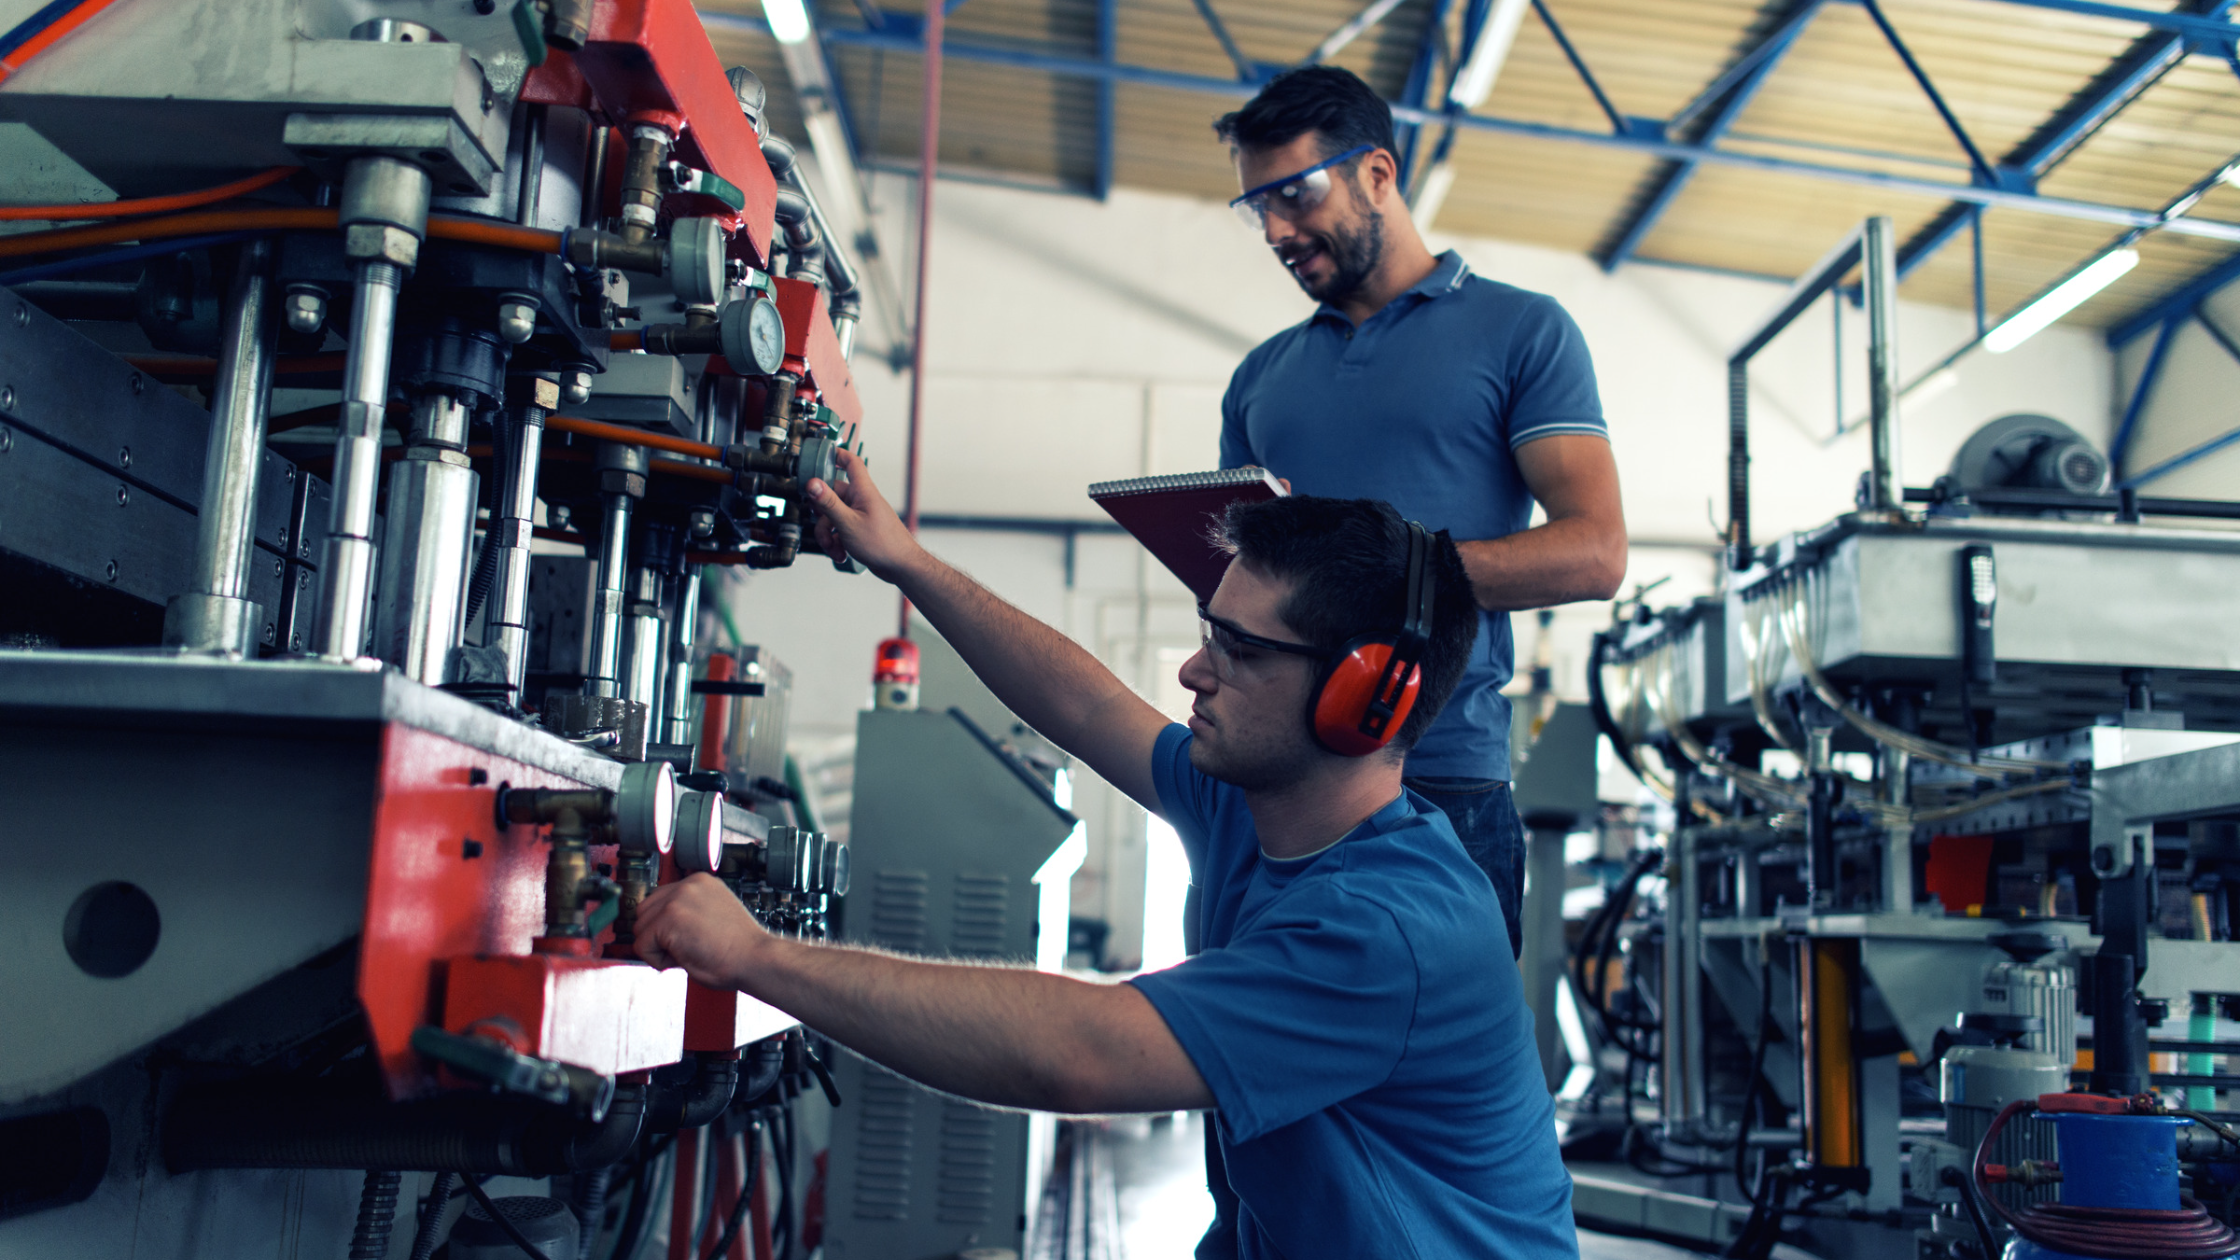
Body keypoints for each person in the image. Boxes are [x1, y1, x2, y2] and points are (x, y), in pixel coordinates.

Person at [635, 447, 1576, 1260]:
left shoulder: (1393, 926)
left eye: (1241, 652)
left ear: (1364, 700)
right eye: (1211, 632)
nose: (1193, 670)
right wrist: (909, 566)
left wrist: (757, 957)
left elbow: (1075, 1056)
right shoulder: (1256, 800)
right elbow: (1085, 706)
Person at [1216, 66, 1628, 958]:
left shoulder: (1523, 332)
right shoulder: (1259, 379)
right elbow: (1230, 575)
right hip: (1275, 788)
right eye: (1258, 208)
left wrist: (1382, 582)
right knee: (1257, 1085)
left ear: (1377, 174)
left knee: (1440, 1091)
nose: (1278, 230)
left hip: (1443, 786)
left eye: (1296, 192)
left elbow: (1594, 554)